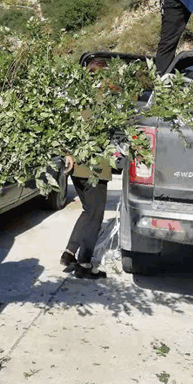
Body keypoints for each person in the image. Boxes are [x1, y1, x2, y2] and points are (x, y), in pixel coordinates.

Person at [60, 58, 112, 279]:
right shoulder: (103, 103)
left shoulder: (77, 100)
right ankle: (84, 264)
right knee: (95, 216)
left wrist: (67, 153)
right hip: (94, 169)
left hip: (77, 168)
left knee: (87, 211)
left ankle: (70, 252)